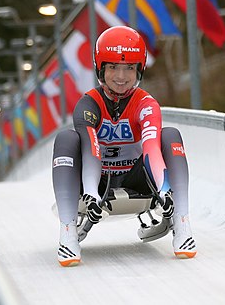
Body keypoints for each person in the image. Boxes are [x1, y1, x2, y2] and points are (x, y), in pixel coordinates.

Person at [52, 26, 196, 267]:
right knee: (66, 139)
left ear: (139, 69)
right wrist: (90, 192)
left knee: (170, 135)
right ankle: (67, 233)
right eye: (113, 67)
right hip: (98, 179)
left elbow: (151, 146)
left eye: (129, 67)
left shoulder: (146, 103)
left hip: (136, 177)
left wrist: (164, 189)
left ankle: (182, 224)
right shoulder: (88, 103)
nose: (121, 76)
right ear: (101, 68)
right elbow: (90, 149)